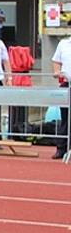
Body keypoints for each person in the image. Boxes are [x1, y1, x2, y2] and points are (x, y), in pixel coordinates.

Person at [51, 32, 71, 160]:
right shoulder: (63, 43)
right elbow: (56, 60)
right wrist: (56, 71)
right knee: (65, 116)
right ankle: (61, 148)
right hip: (67, 83)